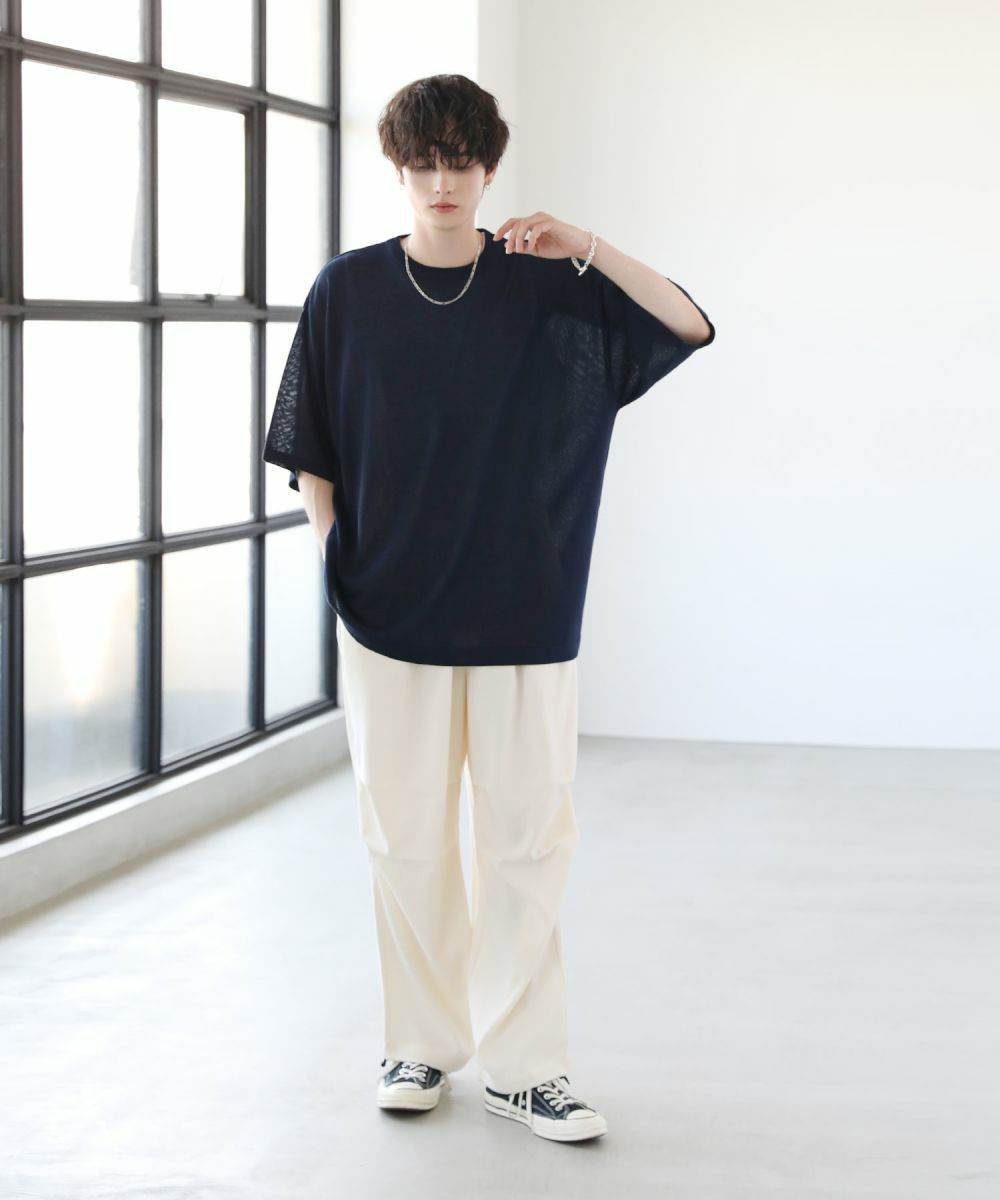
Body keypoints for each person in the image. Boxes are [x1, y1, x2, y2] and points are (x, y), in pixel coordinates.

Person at [262, 73, 715, 1144]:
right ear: (397, 167)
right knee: (405, 837)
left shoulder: (543, 286)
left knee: (527, 839)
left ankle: (526, 1068)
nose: (442, 183)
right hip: (389, 610)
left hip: (525, 605)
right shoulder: (347, 291)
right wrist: (337, 555)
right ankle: (420, 1045)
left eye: (460, 162)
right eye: (423, 163)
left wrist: (584, 245)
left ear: (489, 167)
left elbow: (688, 324)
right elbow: (310, 444)